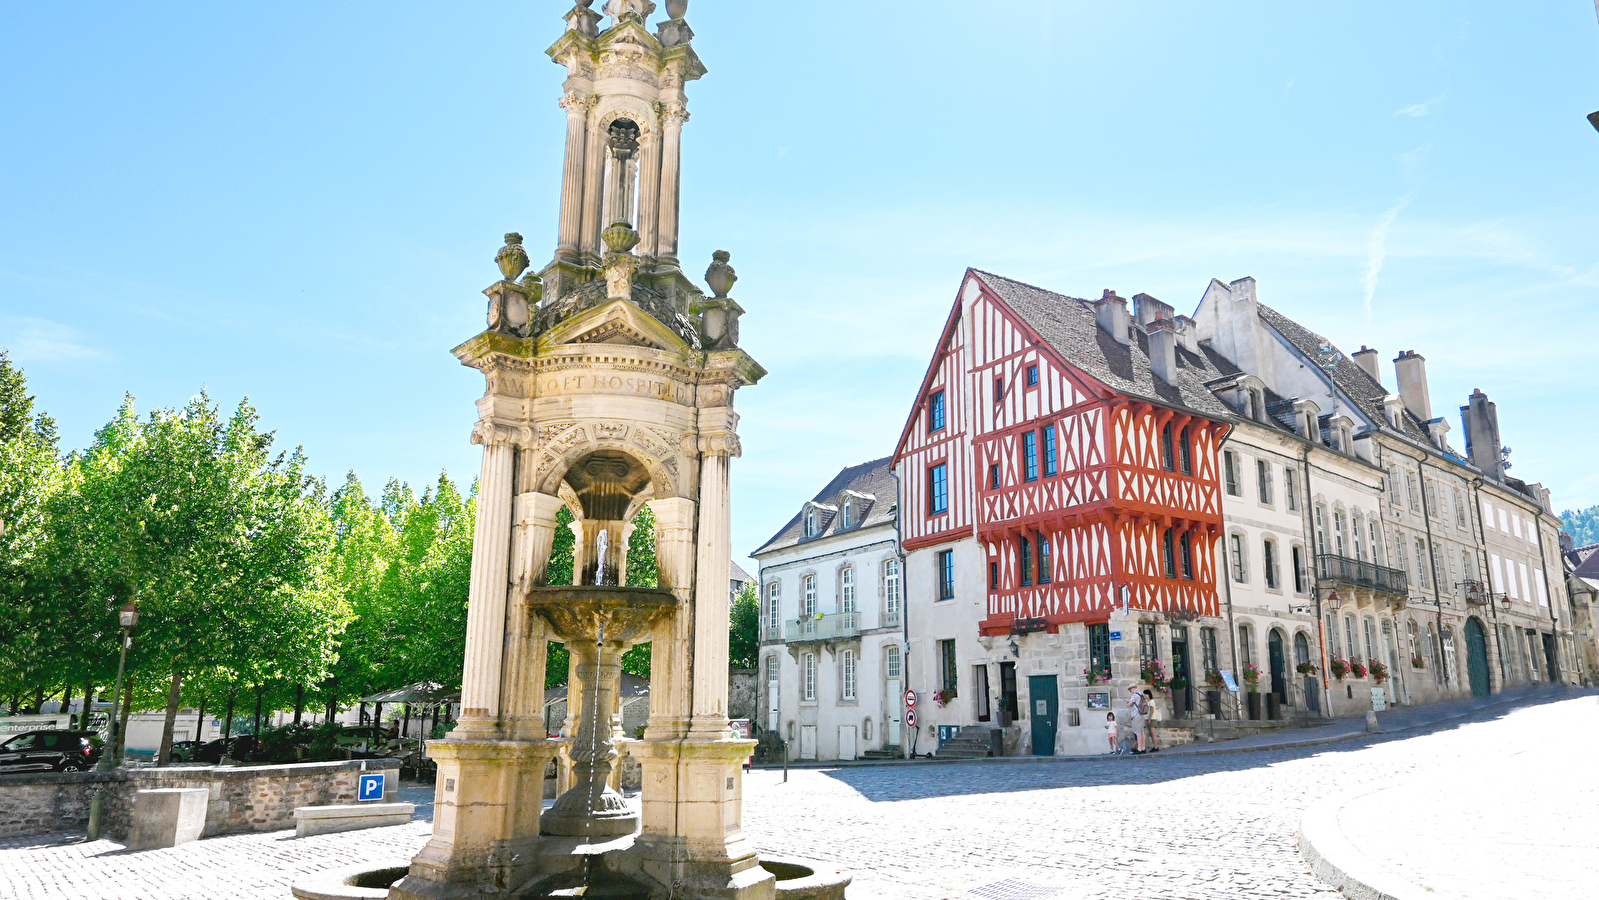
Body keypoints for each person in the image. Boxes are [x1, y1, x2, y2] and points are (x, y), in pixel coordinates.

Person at [1125, 685, 1148, 754]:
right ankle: (1143, 748)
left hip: (1136, 715)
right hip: (1142, 714)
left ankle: (1139, 748)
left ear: (1133, 689)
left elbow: (1129, 704)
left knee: (1138, 732)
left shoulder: (1134, 696)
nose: (1130, 691)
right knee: (1142, 732)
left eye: (1130, 690)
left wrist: (1126, 703)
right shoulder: (1141, 695)